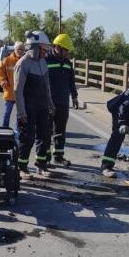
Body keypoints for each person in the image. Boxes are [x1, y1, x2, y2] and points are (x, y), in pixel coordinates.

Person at [15, 31, 54, 179]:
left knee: (45, 136)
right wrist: (21, 112)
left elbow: (47, 86)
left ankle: (41, 165)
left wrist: (50, 103)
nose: (46, 52)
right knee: (27, 138)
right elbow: (17, 91)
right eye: (44, 49)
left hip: (42, 106)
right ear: (35, 48)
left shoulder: (43, 62)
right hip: (28, 108)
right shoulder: (22, 64)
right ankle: (22, 167)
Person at [45, 33, 79, 167]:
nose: (67, 53)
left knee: (60, 130)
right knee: (46, 131)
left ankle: (58, 156)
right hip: (48, 102)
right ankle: (44, 158)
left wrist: (74, 96)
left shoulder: (67, 63)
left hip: (63, 101)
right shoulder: (45, 60)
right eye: (66, 50)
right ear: (57, 47)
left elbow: (71, 81)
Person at [0, 41, 25, 127]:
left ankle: (18, 130)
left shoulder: (26, 61)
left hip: (21, 94)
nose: (20, 51)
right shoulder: (7, 60)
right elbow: (0, 73)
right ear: (14, 49)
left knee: (20, 114)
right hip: (9, 92)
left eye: (22, 49)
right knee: (7, 113)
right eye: (18, 49)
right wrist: (3, 82)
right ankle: (4, 129)